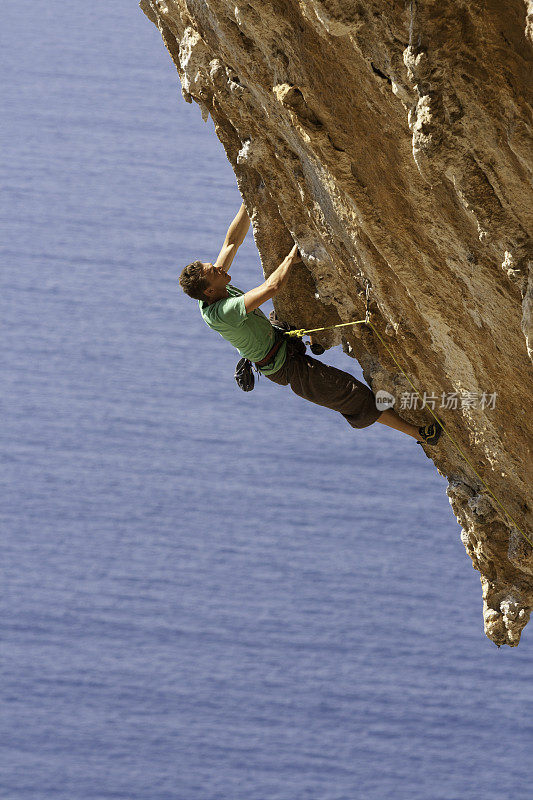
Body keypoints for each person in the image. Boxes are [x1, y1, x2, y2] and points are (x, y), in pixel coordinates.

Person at [178, 201, 442, 445]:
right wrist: (291, 258)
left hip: (276, 338)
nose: (219, 268)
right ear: (209, 291)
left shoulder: (213, 287)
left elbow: (231, 243)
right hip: (284, 366)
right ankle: (420, 434)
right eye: (214, 271)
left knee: (305, 301)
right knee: (351, 393)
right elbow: (273, 287)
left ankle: (317, 341)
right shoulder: (222, 311)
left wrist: (247, 202)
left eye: (213, 266)